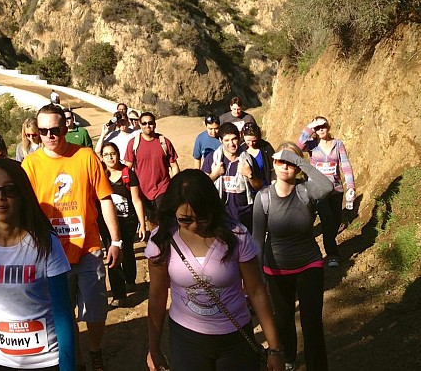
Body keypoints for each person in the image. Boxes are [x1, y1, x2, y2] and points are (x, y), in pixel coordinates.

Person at [146, 170, 284, 371]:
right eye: (185, 220)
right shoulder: (162, 240)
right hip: (186, 341)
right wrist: (154, 349)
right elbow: (157, 296)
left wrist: (274, 348)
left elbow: (256, 291)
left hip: (235, 339)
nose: (194, 225)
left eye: (202, 218)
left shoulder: (236, 235)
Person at [21, 104, 122, 371]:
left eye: (55, 130)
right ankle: (73, 359)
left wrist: (116, 240)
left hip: (88, 250)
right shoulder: (30, 164)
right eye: (43, 131)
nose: (49, 136)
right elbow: (25, 209)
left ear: (65, 128)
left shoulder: (86, 157)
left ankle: (95, 351)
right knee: (62, 315)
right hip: (51, 255)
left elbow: (105, 200)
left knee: (95, 310)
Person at [0, 159, 76, 371]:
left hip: (45, 360)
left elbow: (62, 311)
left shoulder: (46, 242)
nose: (0, 197)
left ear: (23, 195)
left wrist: (68, 365)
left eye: (10, 190)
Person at [252, 143, 334, 371]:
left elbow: (327, 187)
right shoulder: (264, 197)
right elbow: (257, 239)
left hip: (309, 264)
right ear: (273, 165)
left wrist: (300, 161)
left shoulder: (306, 190)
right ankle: (288, 360)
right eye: (280, 161)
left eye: (291, 162)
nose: (285, 166)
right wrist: (256, 277)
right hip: (276, 268)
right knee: (284, 319)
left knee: (312, 324)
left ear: (297, 166)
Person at [296, 116, 356, 267]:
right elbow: (298, 145)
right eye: (317, 128)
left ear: (328, 127)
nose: (320, 129)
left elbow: (346, 165)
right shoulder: (311, 145)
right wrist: (310, 126)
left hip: (336, 189)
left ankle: (329, 242)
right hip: (318, 190)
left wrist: (351, 186)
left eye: (323, 126)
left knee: (336, 221)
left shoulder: (338, 144)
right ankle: (332, 254)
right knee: (327, 220)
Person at [99, 141, 147, 307]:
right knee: (112, 255)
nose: (110, 157)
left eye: (113, 153)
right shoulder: (100, 176)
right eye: (106, 155)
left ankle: (130, 279)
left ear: (118, 154)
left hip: (128, 221)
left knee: (126, 250)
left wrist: (142, 223)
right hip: (107, 224)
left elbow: (136, 199)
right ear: (102, 158)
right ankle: (119, 294)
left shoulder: (128, 174)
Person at [202, 122, 263, 232]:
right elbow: (201, 187)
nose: (231, 144)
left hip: (244, 214)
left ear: (239, 138)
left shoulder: (248, 159)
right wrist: (214, 175)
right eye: (226, 140)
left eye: (234, 139)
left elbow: (259, 187)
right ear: (220, 141)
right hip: (220, 213)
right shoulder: (212, 159)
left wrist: (250, 175)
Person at [125, 112, 180, 225]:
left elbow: (174, 165)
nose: (147, 126)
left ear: (154, 124)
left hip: (163, 187)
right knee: (152, 221)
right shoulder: (133, 143)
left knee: (164, 218)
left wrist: (175, 186)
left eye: (150, 123)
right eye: (144, 123)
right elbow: (128, 168)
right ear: (140, 125)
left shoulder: (164, 142)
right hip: (142, 190)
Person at [241, 122, 275, 187]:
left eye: (254, 141)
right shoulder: (240, 149)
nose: (251, 143)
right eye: (248, 140)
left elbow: (273, 169)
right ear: (243, 135)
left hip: (265, 187)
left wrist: (273, 185)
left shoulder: (266, 147)